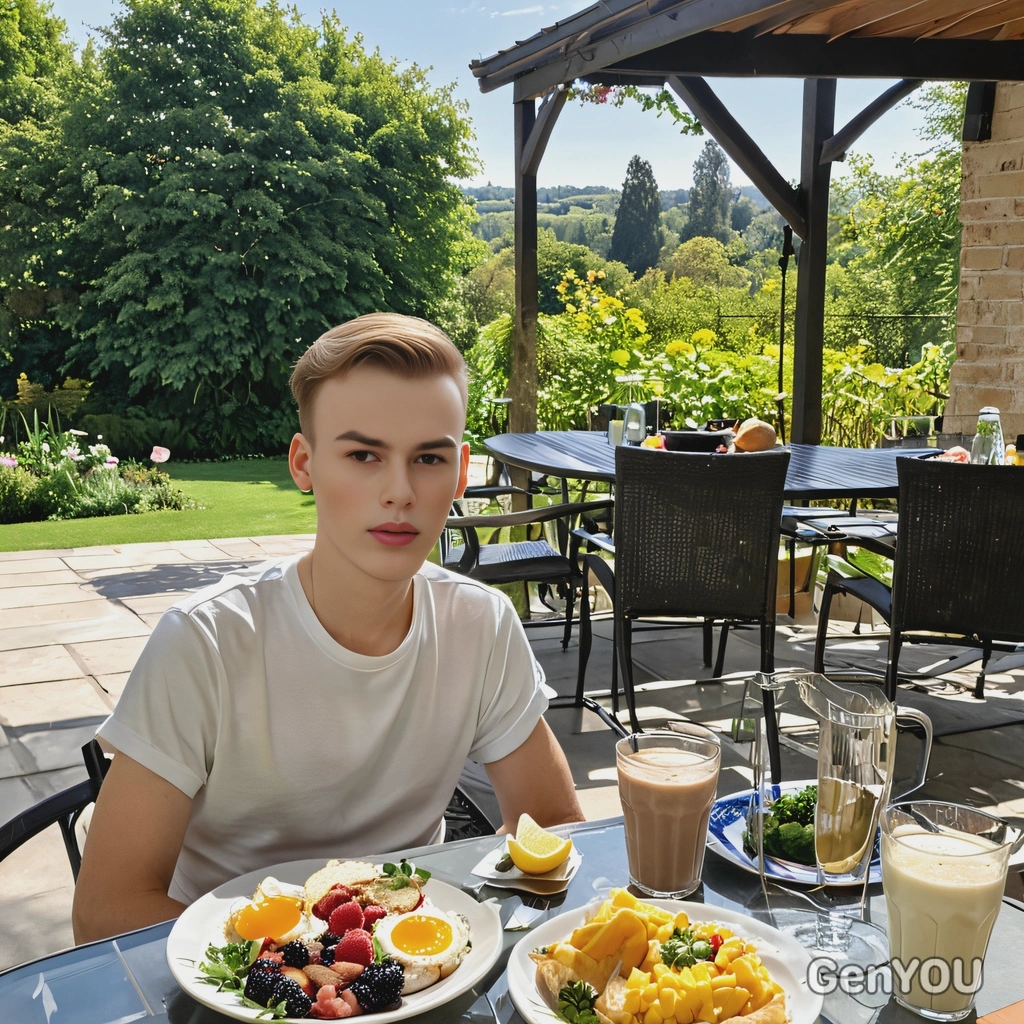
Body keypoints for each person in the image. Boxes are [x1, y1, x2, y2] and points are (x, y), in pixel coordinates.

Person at [72, 313, 584, 943]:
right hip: (230, 982)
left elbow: (553, 826)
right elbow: (105, 912)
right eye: (364, 454)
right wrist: (306, 972)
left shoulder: (480, 623)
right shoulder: (207, 642)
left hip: (416, 970)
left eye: (428, 457)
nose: (400, 491)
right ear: (304, 463)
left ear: (459, 473)